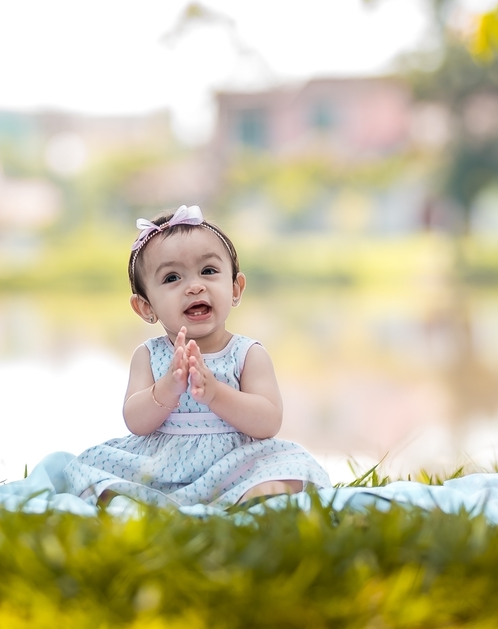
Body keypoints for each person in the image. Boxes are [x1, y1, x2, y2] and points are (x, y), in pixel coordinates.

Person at [62, 205, 331, 508]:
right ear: (145, 307)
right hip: (162, 463)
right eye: (172, 277)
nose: (195, 286)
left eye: (208, 271)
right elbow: (135, 421)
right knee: (90, 468)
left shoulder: (247, 354)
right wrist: (168, 388)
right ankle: (141, 501)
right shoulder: (148, 355)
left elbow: (268, 422)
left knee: (290, 470)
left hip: (234, 464)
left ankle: (248, 500)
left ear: (235, 288)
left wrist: (215, 393)